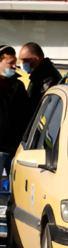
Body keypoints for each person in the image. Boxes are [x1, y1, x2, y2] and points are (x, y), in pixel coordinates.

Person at [0, 45, 30, 179]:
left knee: (16, 185)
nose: (14, 66)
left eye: (15, 63)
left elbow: (26, 114)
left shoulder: (18, 86)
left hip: (15, 147)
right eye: (10, 63)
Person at [19, 42, 62, 112]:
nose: (22, 63)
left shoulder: (47, 79)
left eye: (25, 60)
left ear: (37, 58)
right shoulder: (38, 75)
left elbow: (37, 106)